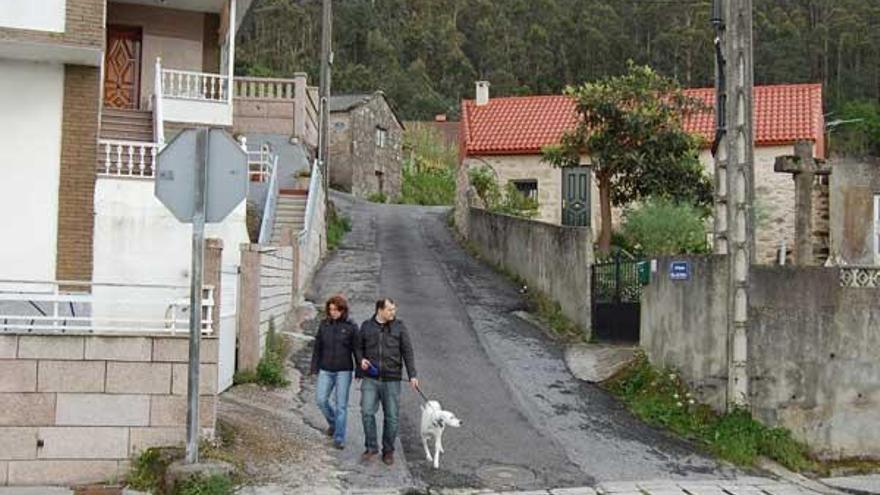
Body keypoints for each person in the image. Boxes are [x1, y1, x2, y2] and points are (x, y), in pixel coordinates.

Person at [356, 298, 418, 466]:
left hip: (392, 379)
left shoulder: (399, 326)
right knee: (367, 412)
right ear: (380, 310)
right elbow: (358, 347)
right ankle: (371, 446)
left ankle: (388, 450)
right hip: (371, 378)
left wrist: (413, 374)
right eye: (390, 309)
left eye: (394, 309)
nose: (393, 312)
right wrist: (361, 360)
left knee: (391, 417)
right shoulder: (366, 326)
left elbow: (408, 351)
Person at [310, 294, 358, 450]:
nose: (333, 313)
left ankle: (339, 438)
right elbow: (317, 347)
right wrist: (314, 367)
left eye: (336, 310)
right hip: (326, 369)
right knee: (321, 399)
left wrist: (360, 371)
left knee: (341, 406)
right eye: (330, 310)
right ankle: (334, 423)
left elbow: (357, 350)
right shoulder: (324, 325)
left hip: (344, 371)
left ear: (343, 310)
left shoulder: (351, 327)